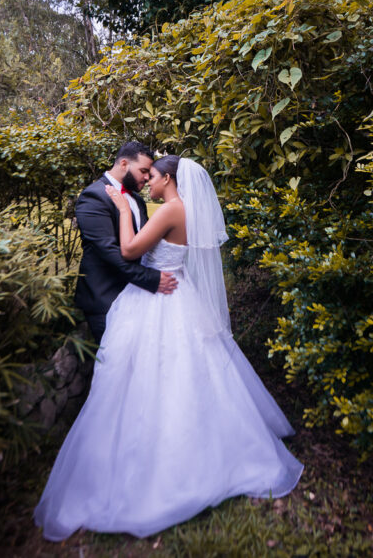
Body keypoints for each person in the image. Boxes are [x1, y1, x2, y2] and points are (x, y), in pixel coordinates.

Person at [34, 155, 303, 541]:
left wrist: (123, 209)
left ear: (169, 178)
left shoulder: (169, 210)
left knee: (154, 377)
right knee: (191, 375)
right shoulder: (187, 210)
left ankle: (165, 467)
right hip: (179, 292)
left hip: (160, 299)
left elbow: (128, 250)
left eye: (154, 176)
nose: (149, 182)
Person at [73, 141, 178, 343]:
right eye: (144, 171)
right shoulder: (94, 196)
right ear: (123, 164)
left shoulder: (137, 200)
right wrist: (151, 279)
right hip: (106, 299)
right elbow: (109, 253)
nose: (147, 178)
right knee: (113, 365)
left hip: (136, 297)